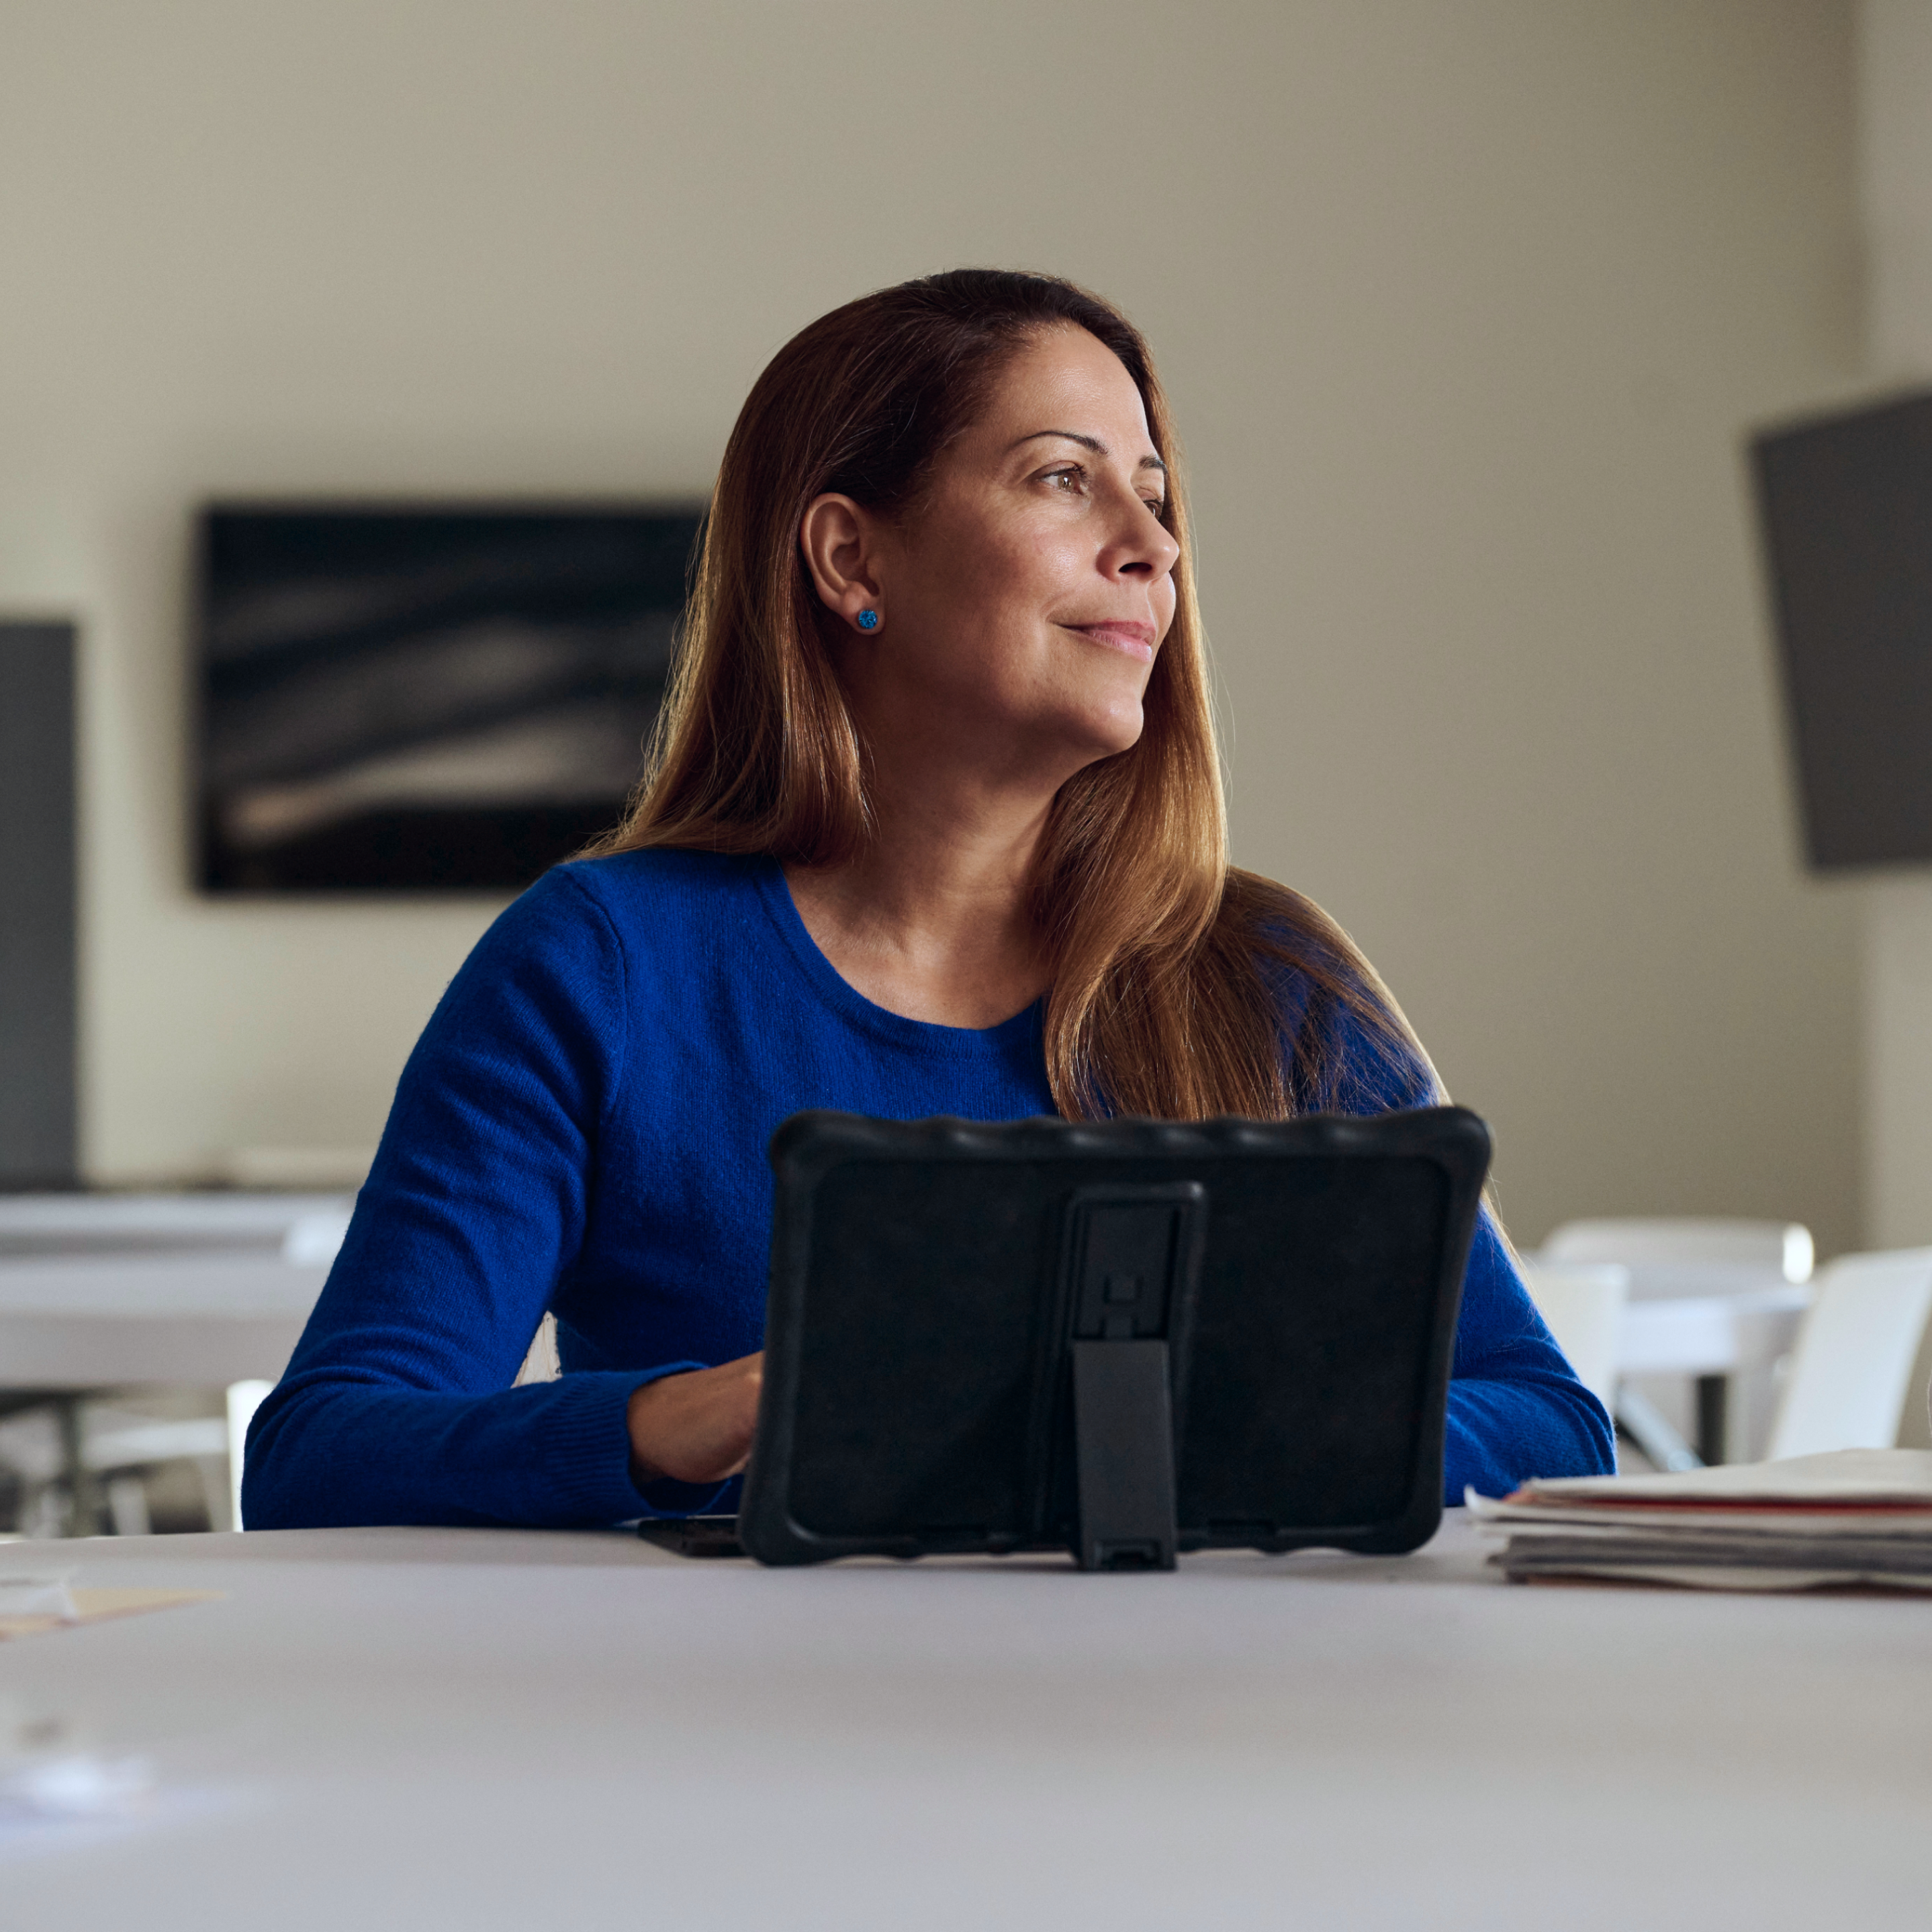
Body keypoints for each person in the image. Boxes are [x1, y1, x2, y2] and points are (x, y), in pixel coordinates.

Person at [243, 269, 1614, 1530]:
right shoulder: (601, 962)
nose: (1152, 545)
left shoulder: (1267, 968)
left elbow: (1547, 1419)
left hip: (1200, 1744)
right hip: (758, 1752)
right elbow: (322, 1456)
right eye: (1063, 479)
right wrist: (710, 1416)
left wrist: (1189, 1432)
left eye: (1154, 493)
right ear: (851, 560)